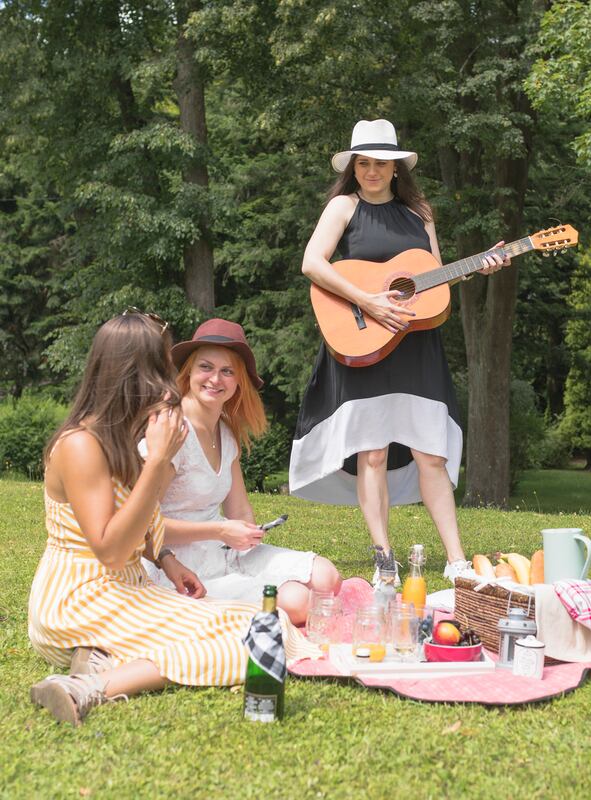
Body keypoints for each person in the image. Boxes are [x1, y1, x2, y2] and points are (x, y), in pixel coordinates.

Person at [28, 311, 317, 725]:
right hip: (79, 600)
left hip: (130, 587)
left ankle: (100, 659)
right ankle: (86, 687)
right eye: (162, 367)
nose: (170, 381)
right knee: (254, 644)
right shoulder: (80, 445)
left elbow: (138, 522)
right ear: (133, 372)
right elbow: (110, 550)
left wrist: (167, 559)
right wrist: (159, 461)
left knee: (264, 626)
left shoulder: (123, 434)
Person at [289, 119, 510, 584]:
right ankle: (384, 558)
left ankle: (456, 560)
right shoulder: (342, 207)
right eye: (363, 163)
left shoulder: (420, 213)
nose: (371, 171)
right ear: (354, 167)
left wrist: (477, 267)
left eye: (380, 164)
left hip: (415, 344)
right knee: (371, 454)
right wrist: (366, 300)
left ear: (396, 169)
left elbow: (432, 274)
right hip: (364, 339)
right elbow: (312, 263)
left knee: (431, 452)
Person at [140, 318, 341, 624]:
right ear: (189, 372)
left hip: (224, 550)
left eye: (227, 371)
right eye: (206, 367)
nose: (215, 379)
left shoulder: (225, 433)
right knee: (298, 604)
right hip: (175, 564)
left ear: (238, 382)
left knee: (327, 577)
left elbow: (239, 510)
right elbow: (142, 525)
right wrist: (220, 531)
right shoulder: (173, 432)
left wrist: (249, 532)